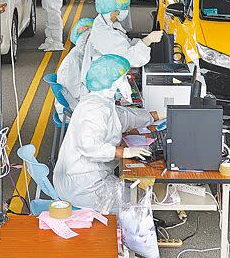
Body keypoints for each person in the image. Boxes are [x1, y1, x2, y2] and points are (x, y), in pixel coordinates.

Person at [54, 54, 159, 210]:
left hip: (87, 177)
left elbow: (124, 118)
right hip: (82, 186)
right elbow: (88, 146)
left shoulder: (99, 101)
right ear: (113, 82)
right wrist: (123, 152)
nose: (127, 81)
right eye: (124, 77)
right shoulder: (95, 109)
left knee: (134, 194)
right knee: (134, 206)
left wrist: (156, 115)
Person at [80, 0, 163, 89]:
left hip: (106, 76)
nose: (124, 11)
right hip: (103, 84)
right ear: (113, 11)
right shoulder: (104, 34)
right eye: (121, 9)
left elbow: (124, 43)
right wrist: (147, 41)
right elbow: (129, 59)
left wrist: (141, 42)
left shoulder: (110, 23)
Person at [56, 17, 95, 113]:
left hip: (74, 101)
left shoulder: (79, 55)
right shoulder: (73, 61)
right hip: (72, 109)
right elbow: (77, 93)